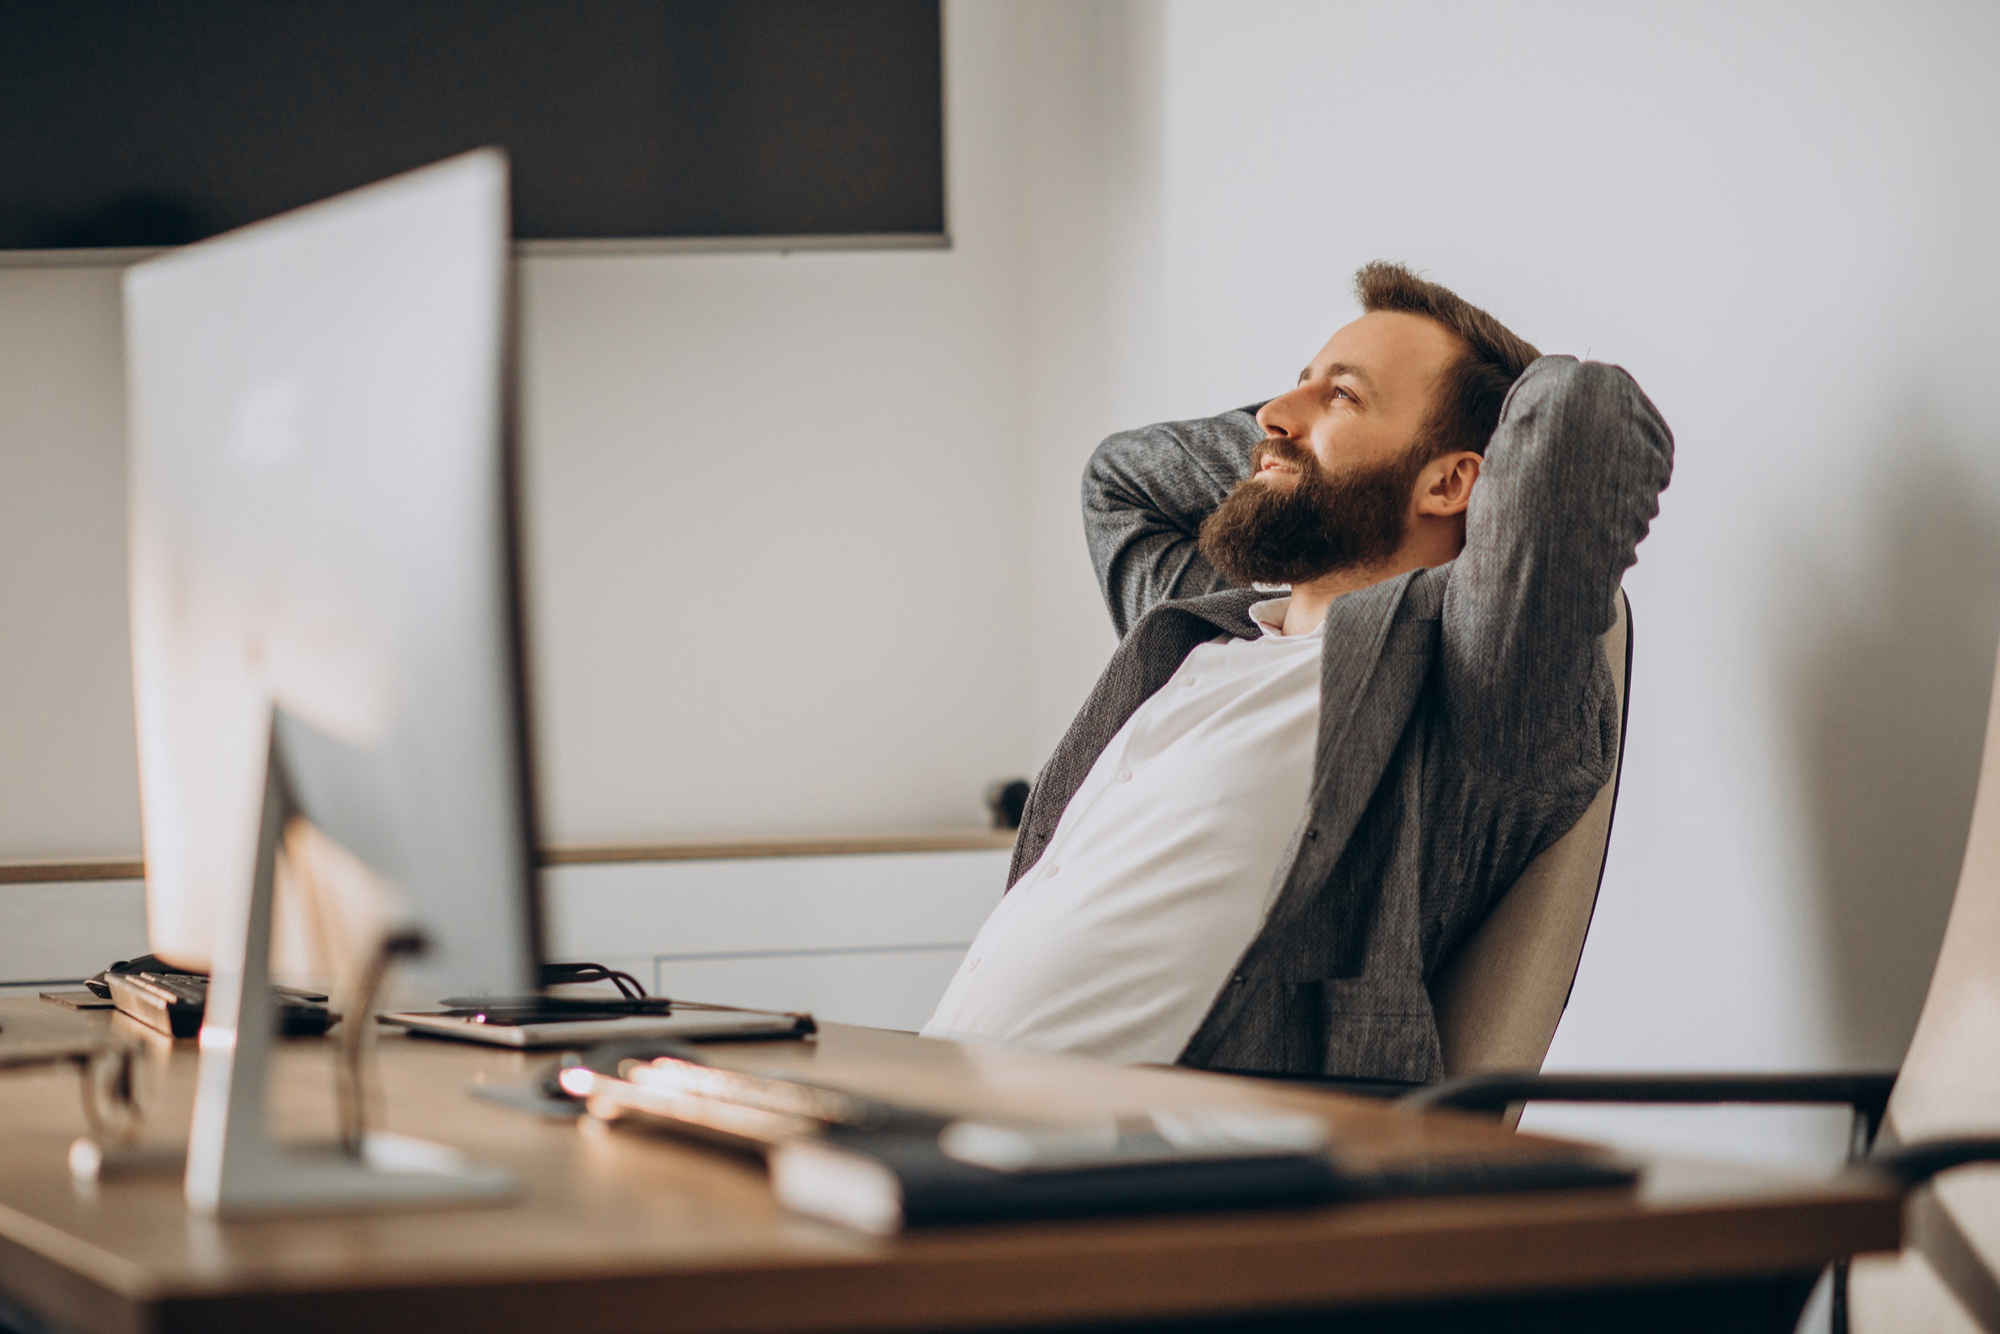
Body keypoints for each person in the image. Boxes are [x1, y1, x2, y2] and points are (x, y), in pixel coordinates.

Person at [921, 262, 1675, 1083]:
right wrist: (1299, 441)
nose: (1271, 416)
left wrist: (1338, 451)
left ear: (1456, 481)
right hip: (942, 1110)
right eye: (1294, 387)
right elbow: (1122, 478)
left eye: (1341, 396)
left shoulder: (1469, 679)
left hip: (1165, 1170)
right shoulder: (1208, 626)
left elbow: (1580, 419)